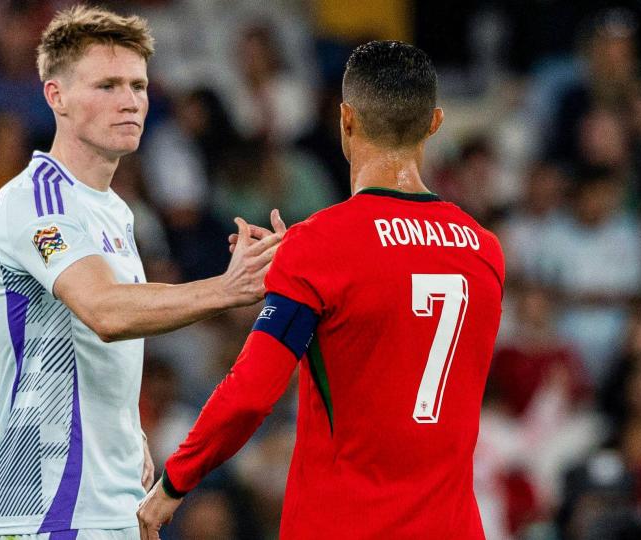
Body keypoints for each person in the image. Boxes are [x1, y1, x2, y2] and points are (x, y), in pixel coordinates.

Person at [137, 40, 505, 539]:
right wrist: (307, 260)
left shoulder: (321, 248)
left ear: (346, 121)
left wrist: (171, 487)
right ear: (435, 122)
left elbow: (250, 396)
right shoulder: (483, 250)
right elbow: (400, 306)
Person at [0, 6, 285, 540]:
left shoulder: (115, 210)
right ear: (57, 96)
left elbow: (100, 349)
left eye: (138, 85)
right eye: (107, 85)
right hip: (53, 503)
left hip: (112, 497)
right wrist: (226, 288)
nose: (130, 101)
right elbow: (105, 311)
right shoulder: (35, 199)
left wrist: (129, 439)